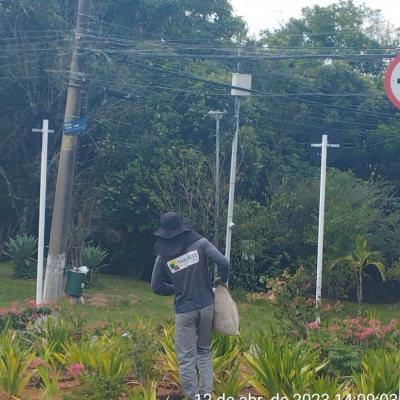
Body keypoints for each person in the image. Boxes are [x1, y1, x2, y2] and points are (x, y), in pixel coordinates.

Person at [151, 212, 229, 400]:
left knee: (186, 358)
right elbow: (223, 262)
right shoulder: (200, 243)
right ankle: (207, 395)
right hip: (207, 306)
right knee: (204, 350)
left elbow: (157, 287)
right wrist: (223, 281)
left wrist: (176, 288)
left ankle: (194, 397)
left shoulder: (162, 257)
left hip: (185, 311)